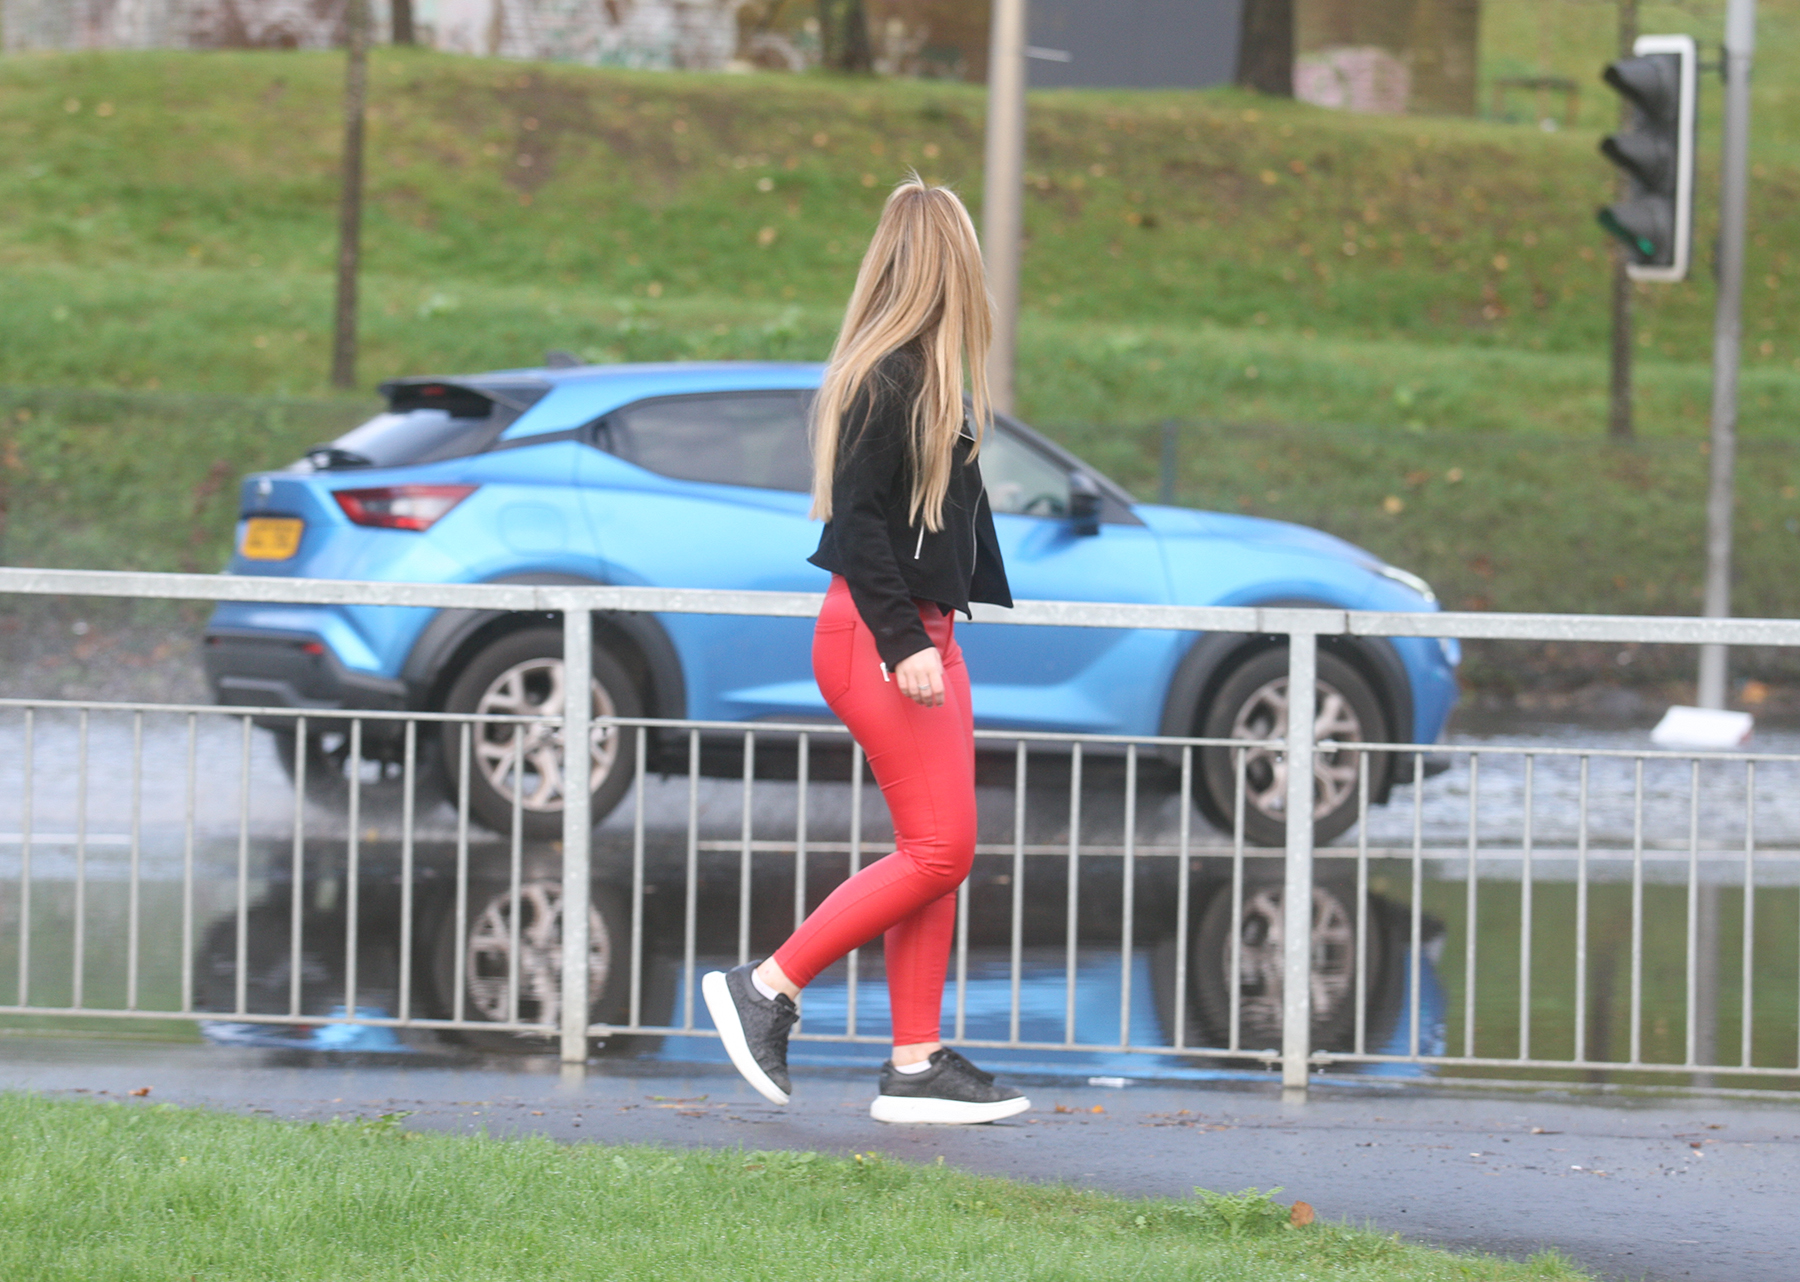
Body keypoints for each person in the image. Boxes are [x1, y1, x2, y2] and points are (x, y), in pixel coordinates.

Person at [702, 178, 1027, 1125]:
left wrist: (925, 631)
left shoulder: (925, 373)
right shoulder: (890, 374)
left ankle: (916, 1064)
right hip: (880, 634)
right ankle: (768, 986)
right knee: (941, 848)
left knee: (937, 852)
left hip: (922, 630)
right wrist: (898, 639)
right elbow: (859, 520)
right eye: (966, 254)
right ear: (945, 263)